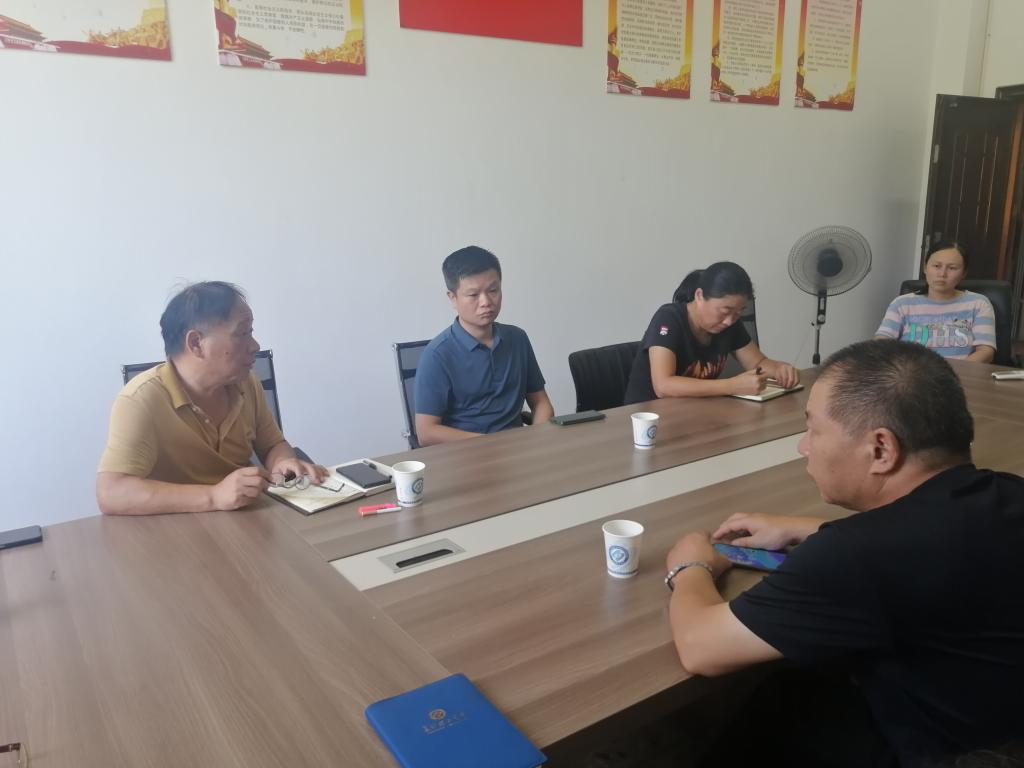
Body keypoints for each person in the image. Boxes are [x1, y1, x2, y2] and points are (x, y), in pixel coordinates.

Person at [663, 339, 1024, 767]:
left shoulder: (855, 557)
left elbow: (700, 648)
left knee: (783, 699)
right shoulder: (1007, 492)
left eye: (813, 430)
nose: (803, 447)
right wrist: (806, 528)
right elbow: (924, 545)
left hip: (939, 751)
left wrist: (690, 565)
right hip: (999, 722)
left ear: (880, 449)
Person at [97, 281, 325, 515]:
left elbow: (272, 445)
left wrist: (281, 463)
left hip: (247, 516)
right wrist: (214, 496)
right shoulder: (141, 399)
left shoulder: (245, 382)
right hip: (179, 527)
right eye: (242, 333)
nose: (255, 346)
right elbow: (112, 493)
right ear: (196, 343)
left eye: (251, 332)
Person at [414, 246, 554, 447]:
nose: (486, 302)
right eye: (473, 295)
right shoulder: (438, 355)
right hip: (466, 454)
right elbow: (426, 432)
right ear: (452, 298)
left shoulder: (517, 339)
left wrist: (537, 440)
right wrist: (492, 444)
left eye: (493, 290)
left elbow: (540, 402)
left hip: (518, 450)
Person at [623, 262, 799, 404]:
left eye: (738, 312)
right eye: (724, 311)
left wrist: (779, 369)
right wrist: (732, 386)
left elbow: (758, 363)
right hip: (649, 419)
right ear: (699, 296)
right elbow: (663, 386)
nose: (729, 320)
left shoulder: (730, 324)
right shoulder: (669, 318)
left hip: (695, 414)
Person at [875, 241, 996, 362]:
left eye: (952, 268)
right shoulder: (902, 304)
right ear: (925, 267)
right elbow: (881, 344)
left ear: (964, 273)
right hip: (910, 372)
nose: (942, 274)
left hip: (961, 372)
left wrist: (953, 372)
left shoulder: (979, 304)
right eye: (937, 266)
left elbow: (985, 352)